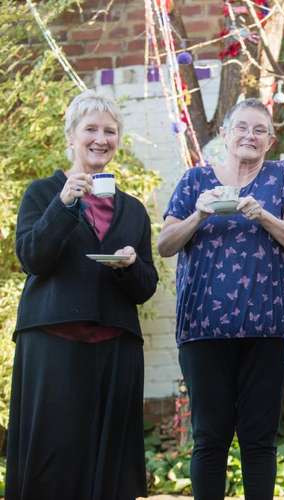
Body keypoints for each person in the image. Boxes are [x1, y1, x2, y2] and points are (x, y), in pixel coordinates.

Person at [157, 98, 284, 500]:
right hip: (203, 330)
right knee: (210, 438)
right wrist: (199, 216)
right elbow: (165, 245)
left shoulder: (282, 177)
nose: (250, 135)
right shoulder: (195, 182)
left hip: (269, 328)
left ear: (270, 140)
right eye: (241, 127)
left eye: (259, 130)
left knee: (259, 439)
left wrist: (263, 215)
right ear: (224, 135)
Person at [8, 90, 159, 500]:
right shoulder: (43, 194)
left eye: (109, 131)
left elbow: (146, 287)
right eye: (90, 129)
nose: (100, 138)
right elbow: (33, 258)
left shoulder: (133, 210)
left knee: (108, 464)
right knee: (51, 458)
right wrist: (64, 203)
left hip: (115, 349)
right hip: (52, 345)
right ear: (71, 136)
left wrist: (130, 265)